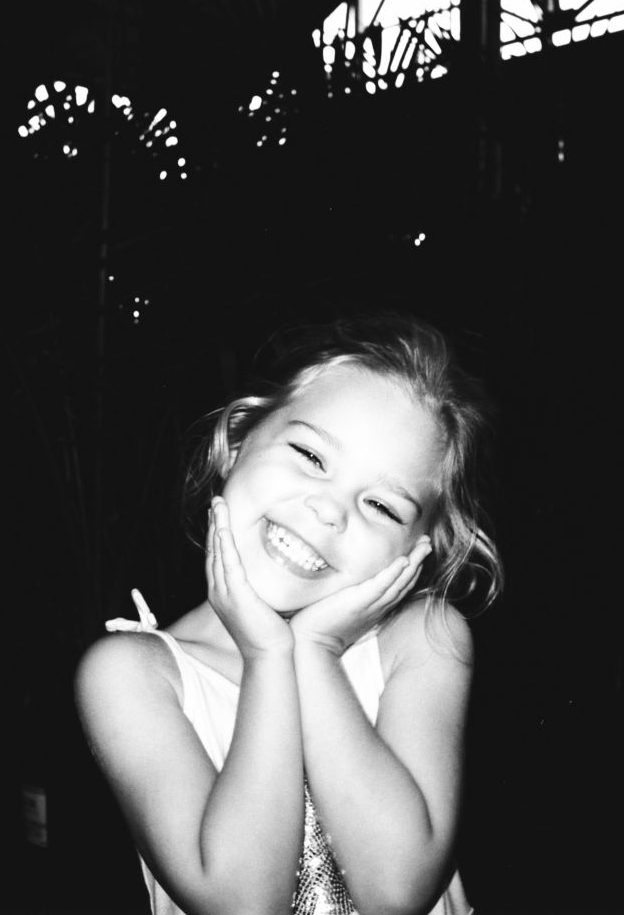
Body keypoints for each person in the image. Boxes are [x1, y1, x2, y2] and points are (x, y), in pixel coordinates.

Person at [75, 311, 503, 915]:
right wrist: (268, 654)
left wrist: (317, 651)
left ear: (417, 551)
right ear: (237, 441)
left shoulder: (423, 638)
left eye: (381, 505)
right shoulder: (134, 673)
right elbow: (241, 902)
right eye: (310, 454)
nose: (330, 511)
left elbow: (397, 890)